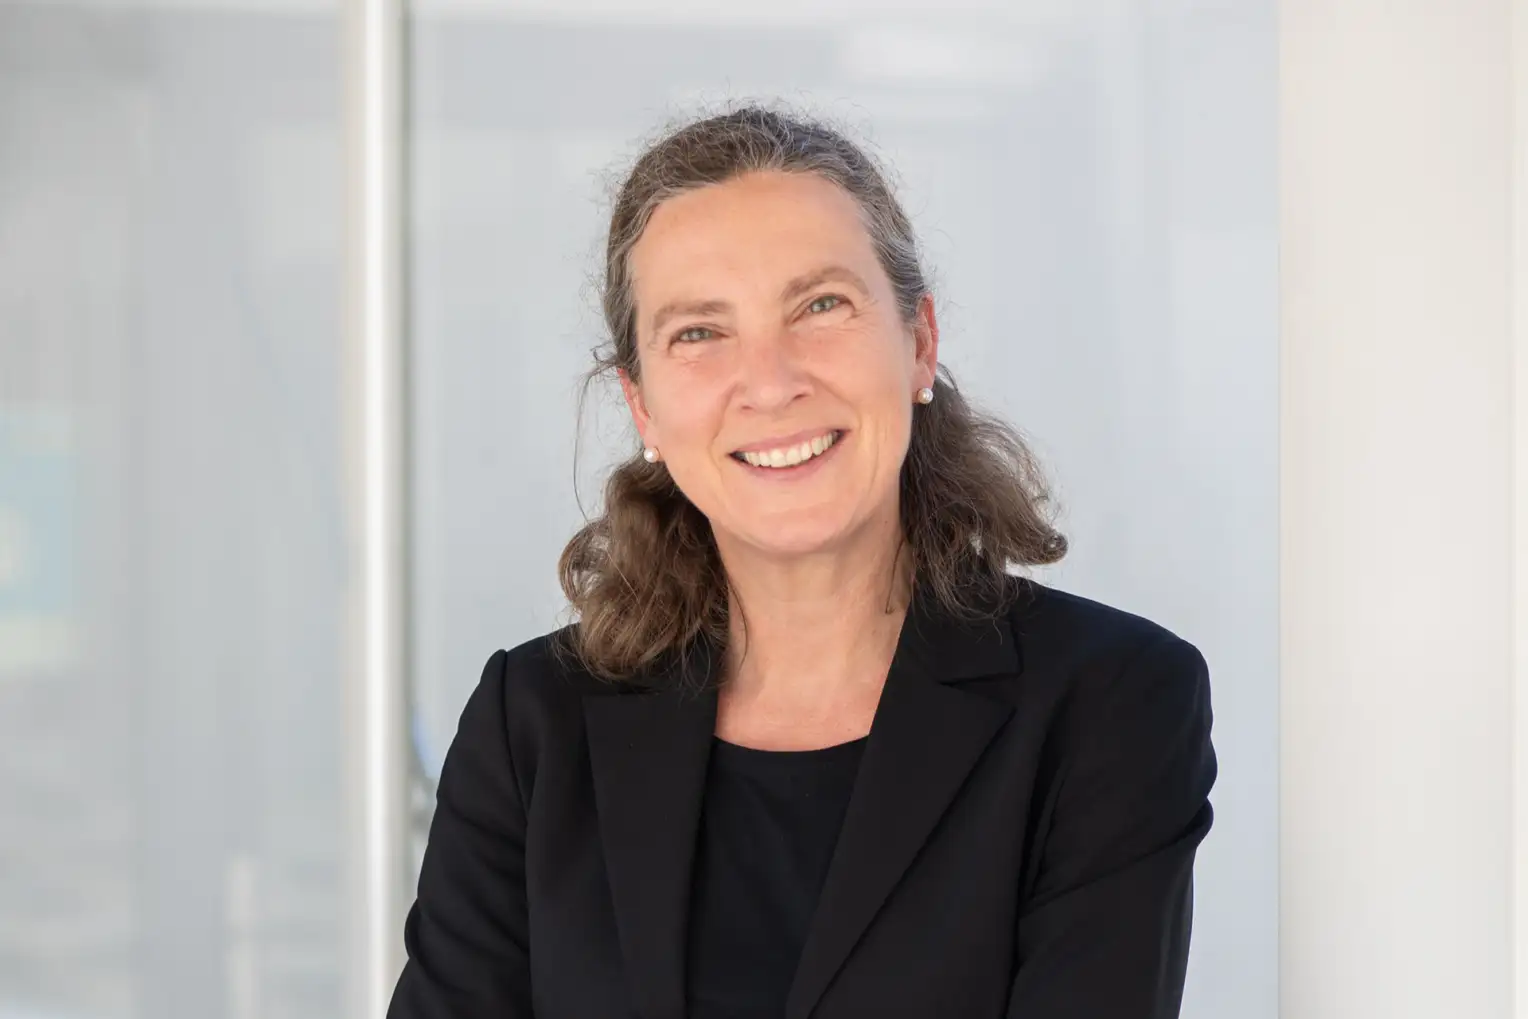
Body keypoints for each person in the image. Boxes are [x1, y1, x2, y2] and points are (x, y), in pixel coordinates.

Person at [387, 105, 1217, 1019]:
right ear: (644, 407)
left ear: (919, 343)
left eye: (821, 305)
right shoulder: (532, 728)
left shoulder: (1110, 703)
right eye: (699, 332)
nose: (772, 380)